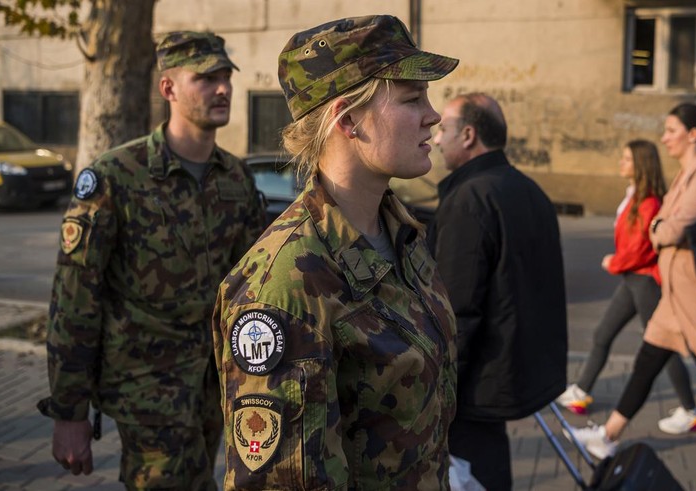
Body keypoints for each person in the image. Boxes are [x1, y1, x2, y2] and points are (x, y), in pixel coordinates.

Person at [211, 15, 459, 490]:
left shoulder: (402, 235)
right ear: (348, 119)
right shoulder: (284, 286)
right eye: (412, 99)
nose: (433, 115)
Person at [37, 31, 266, 490]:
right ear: (169, 89)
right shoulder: (114, 178)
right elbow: (75, 302)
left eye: (225, 77)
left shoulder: (237, 177)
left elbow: (253, 288)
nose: (222, 88)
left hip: (216, 383)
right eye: (205, 78)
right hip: (148, 387)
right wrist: (69, 412)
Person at [571, 103, 696, 490]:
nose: (664, 137)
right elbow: (662, 223)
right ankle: (607, 437)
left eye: (671, 129)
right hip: (675, 299)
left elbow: (669, 229)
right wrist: (661, 227)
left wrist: (661, 228)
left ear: (693, 134)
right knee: (646, 365)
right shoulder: (688, 174)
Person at [430, 93, 568, 491]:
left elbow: (457, 309)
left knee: (476, 473)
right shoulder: (526, 188)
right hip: (512, 372)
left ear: (469, 135)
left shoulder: (470, 199)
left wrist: (439, 392)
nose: (437, 140)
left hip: (477, 382)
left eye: (444, 130)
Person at [556, 140, 696, 435]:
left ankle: (690, 411)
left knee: (664, 346)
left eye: (626, 159)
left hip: (645, 280)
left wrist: (614, 262)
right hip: (633, 279)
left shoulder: (649, 202)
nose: (621, 163)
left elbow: (641, 248)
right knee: (603, 334)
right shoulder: (635, 196)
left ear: (640, 164)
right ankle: (581, 392)